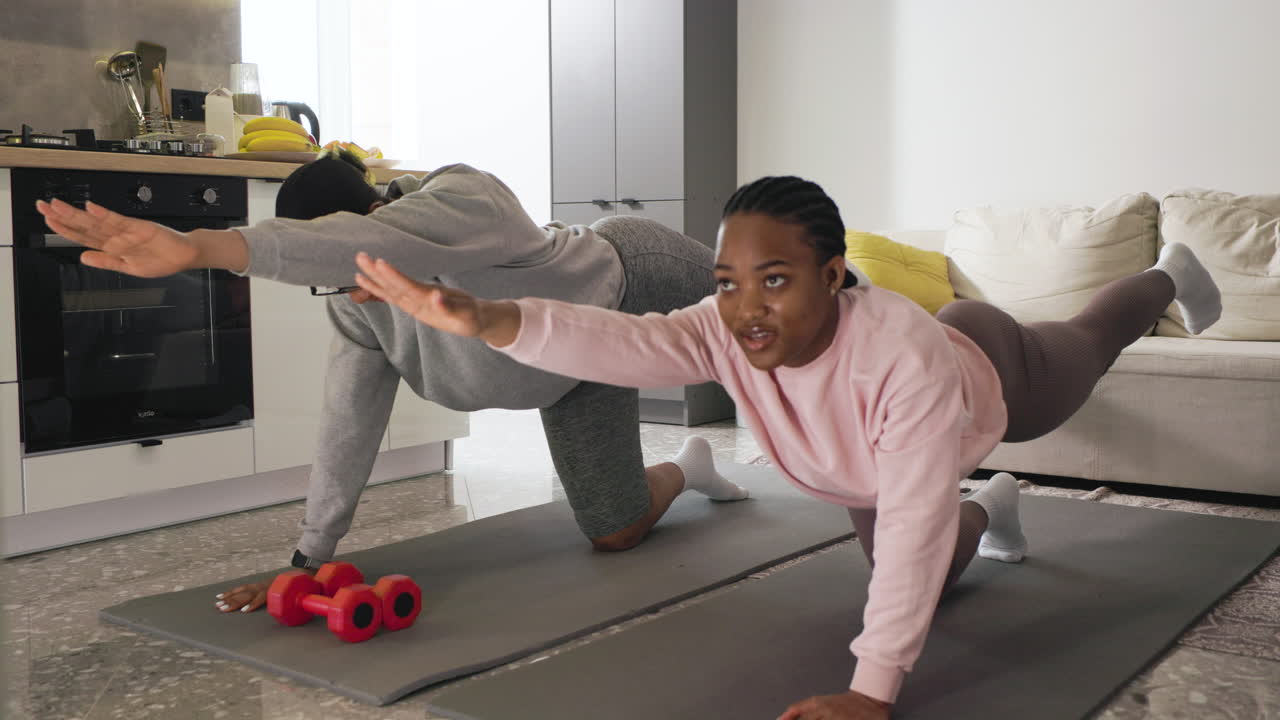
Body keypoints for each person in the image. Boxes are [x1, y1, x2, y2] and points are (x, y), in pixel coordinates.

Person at [348, 174, 1222, 720]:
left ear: (833, 276)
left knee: (1086, 344)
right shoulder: (724, 328)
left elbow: (917, 514)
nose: (746, 307)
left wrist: (872, 692)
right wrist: (490, 319)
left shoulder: (901, 362)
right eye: (729, 283)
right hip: (866, 468)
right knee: (924, 581)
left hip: (987, 364)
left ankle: (1168, 276)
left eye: (775, 280)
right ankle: (991, 504)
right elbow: (621, 341)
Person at [34, 150, 751, 613]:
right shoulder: (358, 312)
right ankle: (694, 467)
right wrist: (309, 560)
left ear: (379, 219)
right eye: (331, 281)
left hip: (627, 277)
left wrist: (206, 247)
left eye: (343, 267)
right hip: (567, 377)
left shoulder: (467, 201)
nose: (346, 290)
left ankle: (851, 282)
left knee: (783, 313)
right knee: (616, 532)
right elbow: (348, 424)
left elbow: (370, 243)